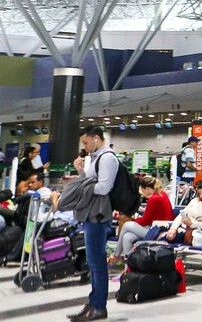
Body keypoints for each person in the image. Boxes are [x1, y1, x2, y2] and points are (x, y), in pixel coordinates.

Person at [59, 125, 119, 322]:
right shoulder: (95, 157)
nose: (84, 146)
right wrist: (81, 171)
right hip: (91, 213)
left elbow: (103, 187)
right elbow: (92, 182)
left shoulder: (107, 157)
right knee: (93, 262)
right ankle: (93, 303)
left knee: (97, 262)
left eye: (85, 142)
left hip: (99, 215)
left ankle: (99, 307)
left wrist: (81, 185)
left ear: (96, 138)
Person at [111, 176, 174, 261]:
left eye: (142, 190)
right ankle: (129, 267)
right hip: (161, 228)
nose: (142, 193)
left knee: (126, 225)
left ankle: (116, 255)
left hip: (157, 232)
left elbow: (145, 221)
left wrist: (133, 220)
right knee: (127, 237)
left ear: (147, 189)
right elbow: (156, 214)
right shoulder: (162, 193)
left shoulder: (153, 199)